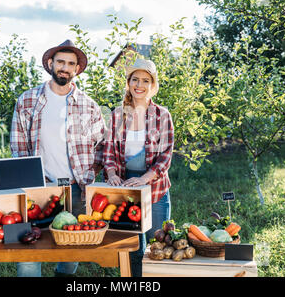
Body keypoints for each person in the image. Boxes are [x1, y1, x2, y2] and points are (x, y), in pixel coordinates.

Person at [10, 39, 106, 277]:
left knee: (71, 252)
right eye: (60, 61)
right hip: (37, 188)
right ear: (50, 63)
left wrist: (88, 175)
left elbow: (102, 146)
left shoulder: (89, 106)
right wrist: (30, 183)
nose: (64, 67)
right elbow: (18, 147)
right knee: (28, 250)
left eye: (70, 64)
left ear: (77, 69)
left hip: (75, 190)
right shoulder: (28, 100)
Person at [103, 58, 174, 277]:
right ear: (128, 83)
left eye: (145, 80)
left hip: (154, 186)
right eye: (135, 79)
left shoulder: (162, 115)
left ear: (152, 85)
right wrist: (112, 173)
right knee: (133, 246)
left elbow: (165, 154)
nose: (139, 85)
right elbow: (109, 151)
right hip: (126, 186)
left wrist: (145, 178)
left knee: (158, 242)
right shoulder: (117, 115)